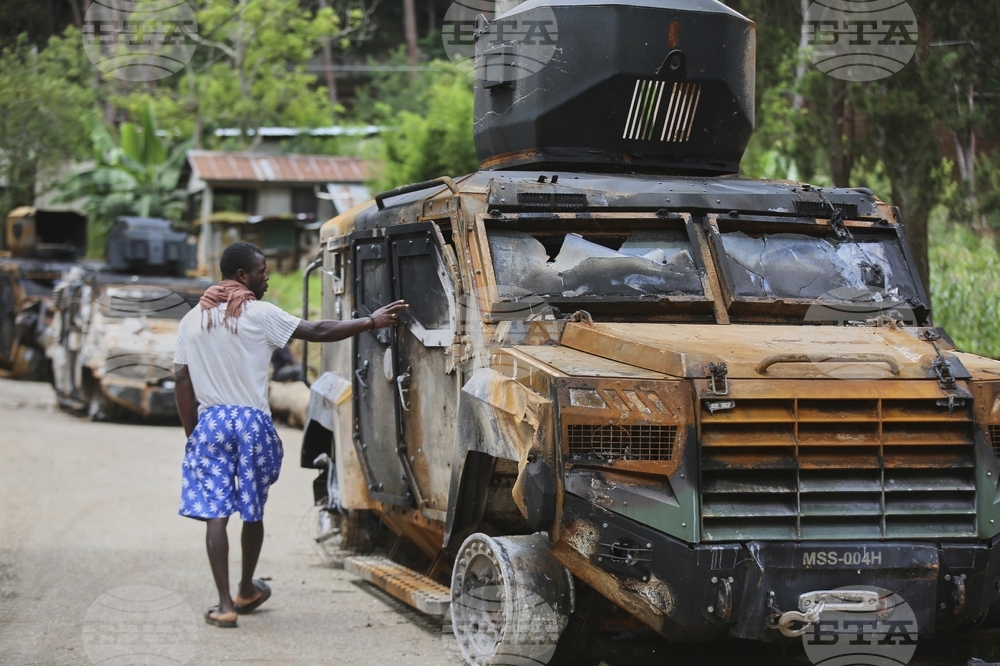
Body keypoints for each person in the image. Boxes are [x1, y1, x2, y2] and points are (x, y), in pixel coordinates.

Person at [173, 241, 407, 628]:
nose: (267, 277)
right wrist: (371, 321)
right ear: (243, 275)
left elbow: (182, 380)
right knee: (252, 509)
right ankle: (246, 587)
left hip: (211, 423)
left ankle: (224, 606)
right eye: (262, 271)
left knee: (217, 514)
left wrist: (192, 434)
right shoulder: (259, 314)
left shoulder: (191, 320)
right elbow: (318, 329)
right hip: (252, 423)